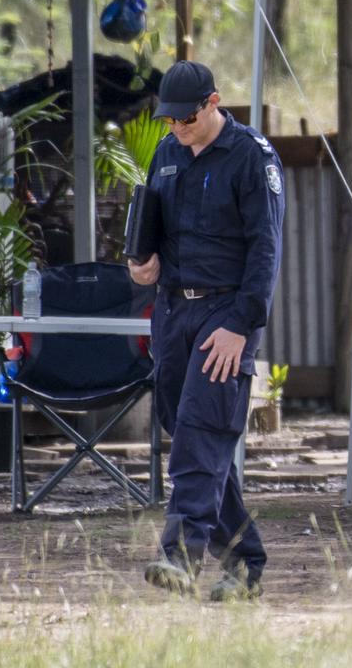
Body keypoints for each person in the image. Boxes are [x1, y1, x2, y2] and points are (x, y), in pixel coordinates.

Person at [128, 60, 285, 600]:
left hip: (227, 312)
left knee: (200, 429)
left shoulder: (251, 156)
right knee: (189, 426)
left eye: (187, 118)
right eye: (169, 121)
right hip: (173, 311)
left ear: (214, 102)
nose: (178, 129)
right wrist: (140, 266)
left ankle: (181, 555)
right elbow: (148, 232)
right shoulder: (166, 153)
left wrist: (242, 325)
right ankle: (244, 564)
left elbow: (266, 248)